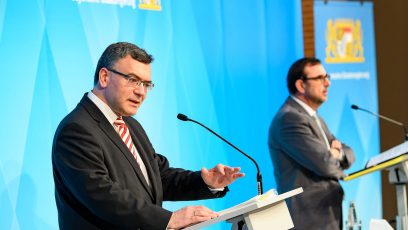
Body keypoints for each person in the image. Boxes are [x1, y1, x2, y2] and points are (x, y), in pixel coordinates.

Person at [52, 42, 244, 230]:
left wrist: (206, 182)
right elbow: (101, 195)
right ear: (104, 77)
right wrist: (169, 219)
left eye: (146, 84)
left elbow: (157, 177)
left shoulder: (130, 125)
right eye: (132, 80)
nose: (141, 92)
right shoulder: (76, 129)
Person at [268, 57, 355, 229]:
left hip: (324, 214)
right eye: (320, 78)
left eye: (327, 76)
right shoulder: (290, 119)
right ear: (301, 85)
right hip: (308, 218)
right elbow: (326, 165)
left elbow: (349, 152)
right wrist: (333, 154)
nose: (328, 83)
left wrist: (338, 153)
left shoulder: (313, 116)